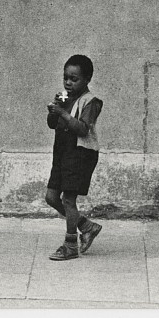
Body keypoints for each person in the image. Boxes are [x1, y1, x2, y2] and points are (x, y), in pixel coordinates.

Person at [45, 54, 104, 261]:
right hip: (62, 152)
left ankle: (70, 245)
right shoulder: (62, 96)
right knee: (51, 198)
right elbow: (52, 123)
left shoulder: (92, 102)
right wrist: (53, 111)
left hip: (80, 154)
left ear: (87, 79)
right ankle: (86, 226)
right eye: (65, 78)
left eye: (74, 79)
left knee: (68, 200)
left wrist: (62, 113)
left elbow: (82, 129)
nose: (68, 83)